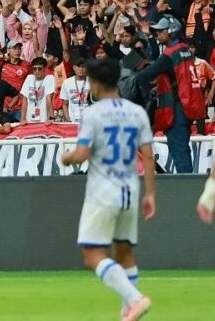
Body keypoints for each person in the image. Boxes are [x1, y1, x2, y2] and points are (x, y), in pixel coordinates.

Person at [60, 58, 155, 321]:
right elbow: (148, 155)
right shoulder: (137, 112)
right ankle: (128, 310)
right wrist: (150, 193)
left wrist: (66, 157)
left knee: (92, 256)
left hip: (102, 192)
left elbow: (82, 154)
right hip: (130, 190)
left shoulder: (93, 113)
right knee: (124, 251)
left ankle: (135, 299)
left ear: (96, 84)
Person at [131, 15, 198, 173]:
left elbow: (144, 75)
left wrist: (132, 79)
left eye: (161, 31)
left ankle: (187, 187)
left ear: (172, 31)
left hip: (177, 107)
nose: (158, 34)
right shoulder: (184, 49)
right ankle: (188, 183)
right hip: (187, 105)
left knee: (179, 150)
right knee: (182, 149)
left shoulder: (170, 54)